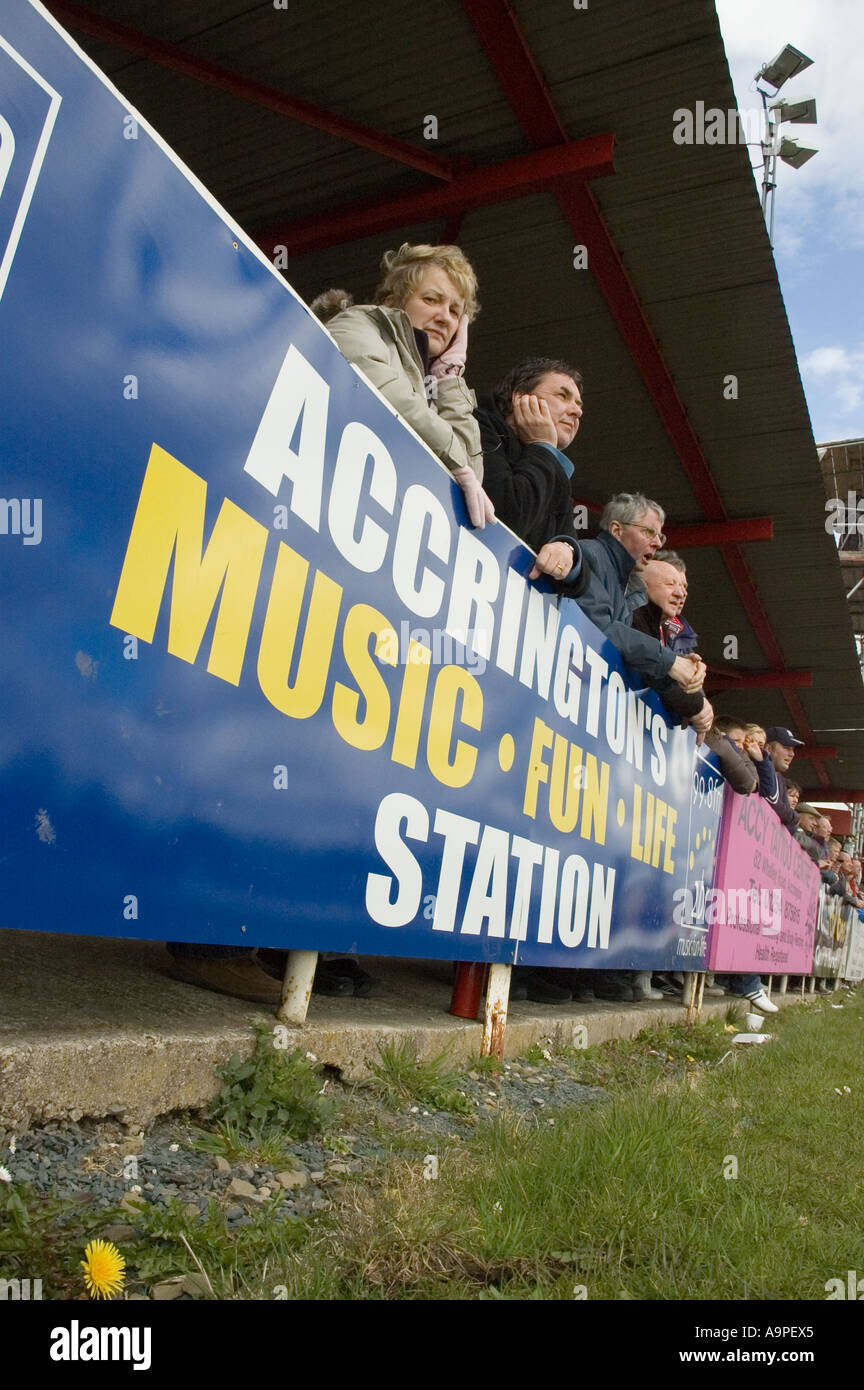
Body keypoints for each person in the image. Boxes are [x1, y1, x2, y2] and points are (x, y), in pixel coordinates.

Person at [314, 243, 495, 527]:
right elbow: (384, 397)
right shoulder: (357, 323)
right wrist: (455, 460)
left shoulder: (432, 390)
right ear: (392, 302)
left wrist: (450, 375)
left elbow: (471, 475)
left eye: (454, 311)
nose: (444, 317)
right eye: (432, 300)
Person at [564, 493, 706, 709]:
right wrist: (670, 662)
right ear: (616, 530)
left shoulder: (626, 585)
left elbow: (630, 655)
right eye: (649, 532)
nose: (657, 543)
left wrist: (681, 675)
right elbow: (597, 629)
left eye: (661, 536)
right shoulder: (591, 554)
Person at [474, 357, 584, 559]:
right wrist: (542, 446)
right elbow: (508, 516)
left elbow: (579, 577)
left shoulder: (556, 473)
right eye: (562, 395)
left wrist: (567, 551)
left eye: (578, 404)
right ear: (520, 398)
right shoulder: (478, 425)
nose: (577, 411)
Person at [630, 555, 713, 736]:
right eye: (671, 584)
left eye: (684, 587)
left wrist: (692, 680)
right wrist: (697, 705)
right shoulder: (633, 613)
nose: (681, 593)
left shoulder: (672, 632)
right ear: (643, 584)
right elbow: (651, 669)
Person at [746, 724, 800, 832]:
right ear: (768, 748)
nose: (792, 754)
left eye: (793, 750)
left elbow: (791, 824)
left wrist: (793, 817)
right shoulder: (753, 766)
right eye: (786, 748)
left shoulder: (780, 779)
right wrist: (792, 816)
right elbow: (774, 803)